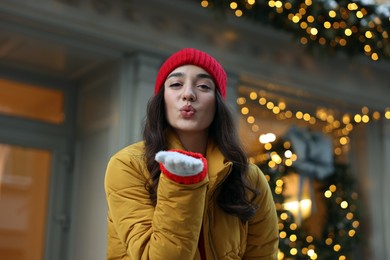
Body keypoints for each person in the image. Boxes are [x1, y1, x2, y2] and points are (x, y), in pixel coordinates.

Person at [104, 48, 279, 260]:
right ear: (162, 99)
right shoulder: (128, 165)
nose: (188, 94)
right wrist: (182, 182)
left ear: (217, 103)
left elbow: (262, 255)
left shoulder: (248, 177)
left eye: (204, 86)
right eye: (176, 84)